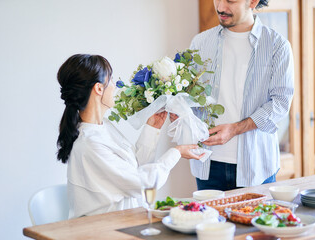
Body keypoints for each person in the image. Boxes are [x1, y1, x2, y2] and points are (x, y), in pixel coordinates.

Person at [56, 54, 203, 218]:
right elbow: (143, 182)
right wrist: (176, 152)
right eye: (110, 80)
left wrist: (152, 128)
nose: (114, 86)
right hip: (103, 230)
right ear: (98, 88)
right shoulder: (90, 143)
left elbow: (133, 169)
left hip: (124, 222)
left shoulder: (103, 127)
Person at [188, 0, 294, 190]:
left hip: (257, 166)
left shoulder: (277, 46)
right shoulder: (200, 43)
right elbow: (189, 98)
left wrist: (235, 129)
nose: (220, 7)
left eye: (230, 0)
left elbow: (280, 103)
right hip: (207, 164)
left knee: (257, 220)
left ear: (252, 1)